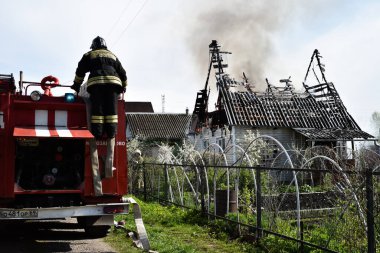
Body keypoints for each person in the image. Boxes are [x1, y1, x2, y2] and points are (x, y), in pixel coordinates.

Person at [71, 36, 127, 195]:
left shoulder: (90, 55)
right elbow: (123, 74)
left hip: (96, 85)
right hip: (113, 85)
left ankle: (97, 131)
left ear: (94, 46)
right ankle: (111, 132)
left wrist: (76, 86)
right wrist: (123, 87)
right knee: (112, 112)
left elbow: (80, 70)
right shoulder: (113, 55)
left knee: (98, 110)